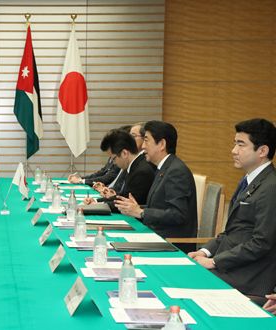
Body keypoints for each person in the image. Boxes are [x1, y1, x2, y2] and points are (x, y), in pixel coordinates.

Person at [188, 118, 276, 298]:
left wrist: (214, 262)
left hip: (248, 276)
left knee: (183, 282)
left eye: (241, 145)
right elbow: (232, 231)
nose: (233, 151)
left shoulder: (271, 186)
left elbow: (262, 243)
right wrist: (204, 251)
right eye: (235, 144)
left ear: (262, 151)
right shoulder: (249, 181)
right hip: (232, 265)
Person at [115, 120, 197, 253]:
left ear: (162, 144)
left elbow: (178, 214)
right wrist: (134, 208)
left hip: (171, 243)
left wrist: (141, 212)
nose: (143, 147)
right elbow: (160, 207)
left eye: (147, 140)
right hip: (157, 235)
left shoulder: (176, 171)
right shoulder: (164, 168)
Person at [84, 130, 155, 212]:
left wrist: (99, 205)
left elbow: (125, 202)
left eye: (114, 159)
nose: (114, 163)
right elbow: (122, 196)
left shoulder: (141, 171)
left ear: (124, 153)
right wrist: (96, 201)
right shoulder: (133, 166)